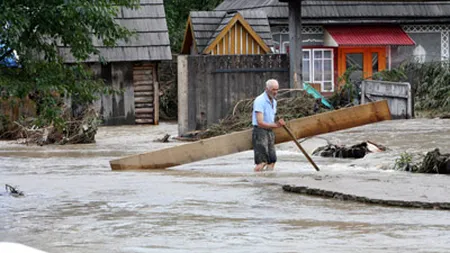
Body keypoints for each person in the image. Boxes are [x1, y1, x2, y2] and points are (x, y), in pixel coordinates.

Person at [252, 79, 286, 172]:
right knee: (262, 161)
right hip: (260, 132)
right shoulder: (260, 101)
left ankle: (268, 181)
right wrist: (276, 125)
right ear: (267, 89)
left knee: (272, 160)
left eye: (277, 90)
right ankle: (257, 182)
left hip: (270, 131)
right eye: (273, 90)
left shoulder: (274, 102)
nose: (275, 92)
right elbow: (260, 122)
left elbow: (271, 118)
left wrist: (278, 122)